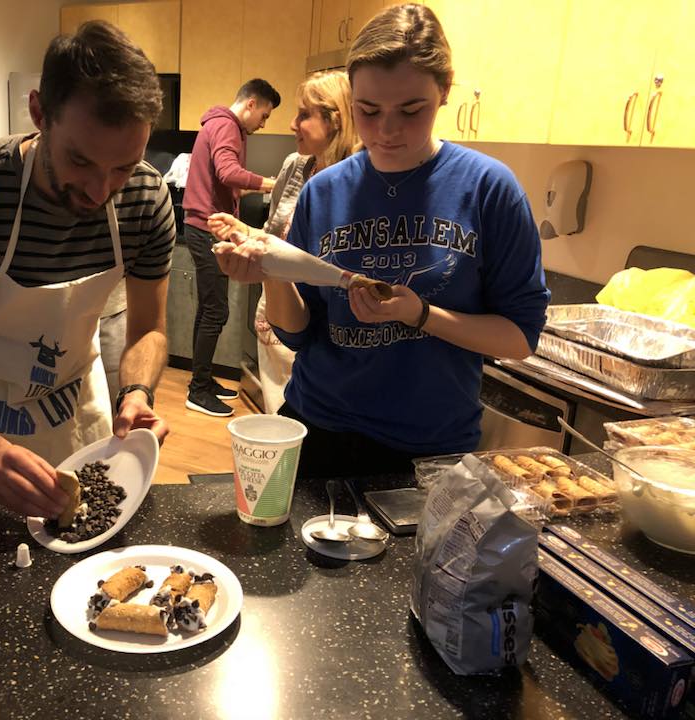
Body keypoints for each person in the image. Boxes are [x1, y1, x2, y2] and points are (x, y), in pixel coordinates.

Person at [210, 3, 550, 479]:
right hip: (317, 428)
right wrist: (270, 272)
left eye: (412, 110)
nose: (387, 131)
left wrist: (421, 314)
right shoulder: (323, 191)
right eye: (368, 111)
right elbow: (298, 332)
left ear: (444, 92)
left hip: (428, 451)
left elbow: (520, 338)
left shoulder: (489, 189)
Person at [0, 21, 175, 517]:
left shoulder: (146, 198)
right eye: (80, 161)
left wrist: (137, 391)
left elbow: (149, 329)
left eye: (124, 167)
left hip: (74, 405)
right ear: (38, 113)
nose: (100, 189)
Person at [209, 70, 358, 414]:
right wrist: (244, 231)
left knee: (307, 417)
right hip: (277, 309)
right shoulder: (295, 167)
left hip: (323, 328)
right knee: (277, 413)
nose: (292, 124)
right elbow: (276, 239)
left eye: (304, 115)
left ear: (336, 121)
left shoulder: (356, 186)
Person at [182, 78, 281, 417]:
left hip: (202, 226)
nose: (263, 124)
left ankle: (203, 381)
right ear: (251, 104)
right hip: (208, 229)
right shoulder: (226, 124)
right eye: (264, 115)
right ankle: (198, 390)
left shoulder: (219, 124)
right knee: (215, 311)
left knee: (208, 309)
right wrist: (272, 183)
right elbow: (228, 172)